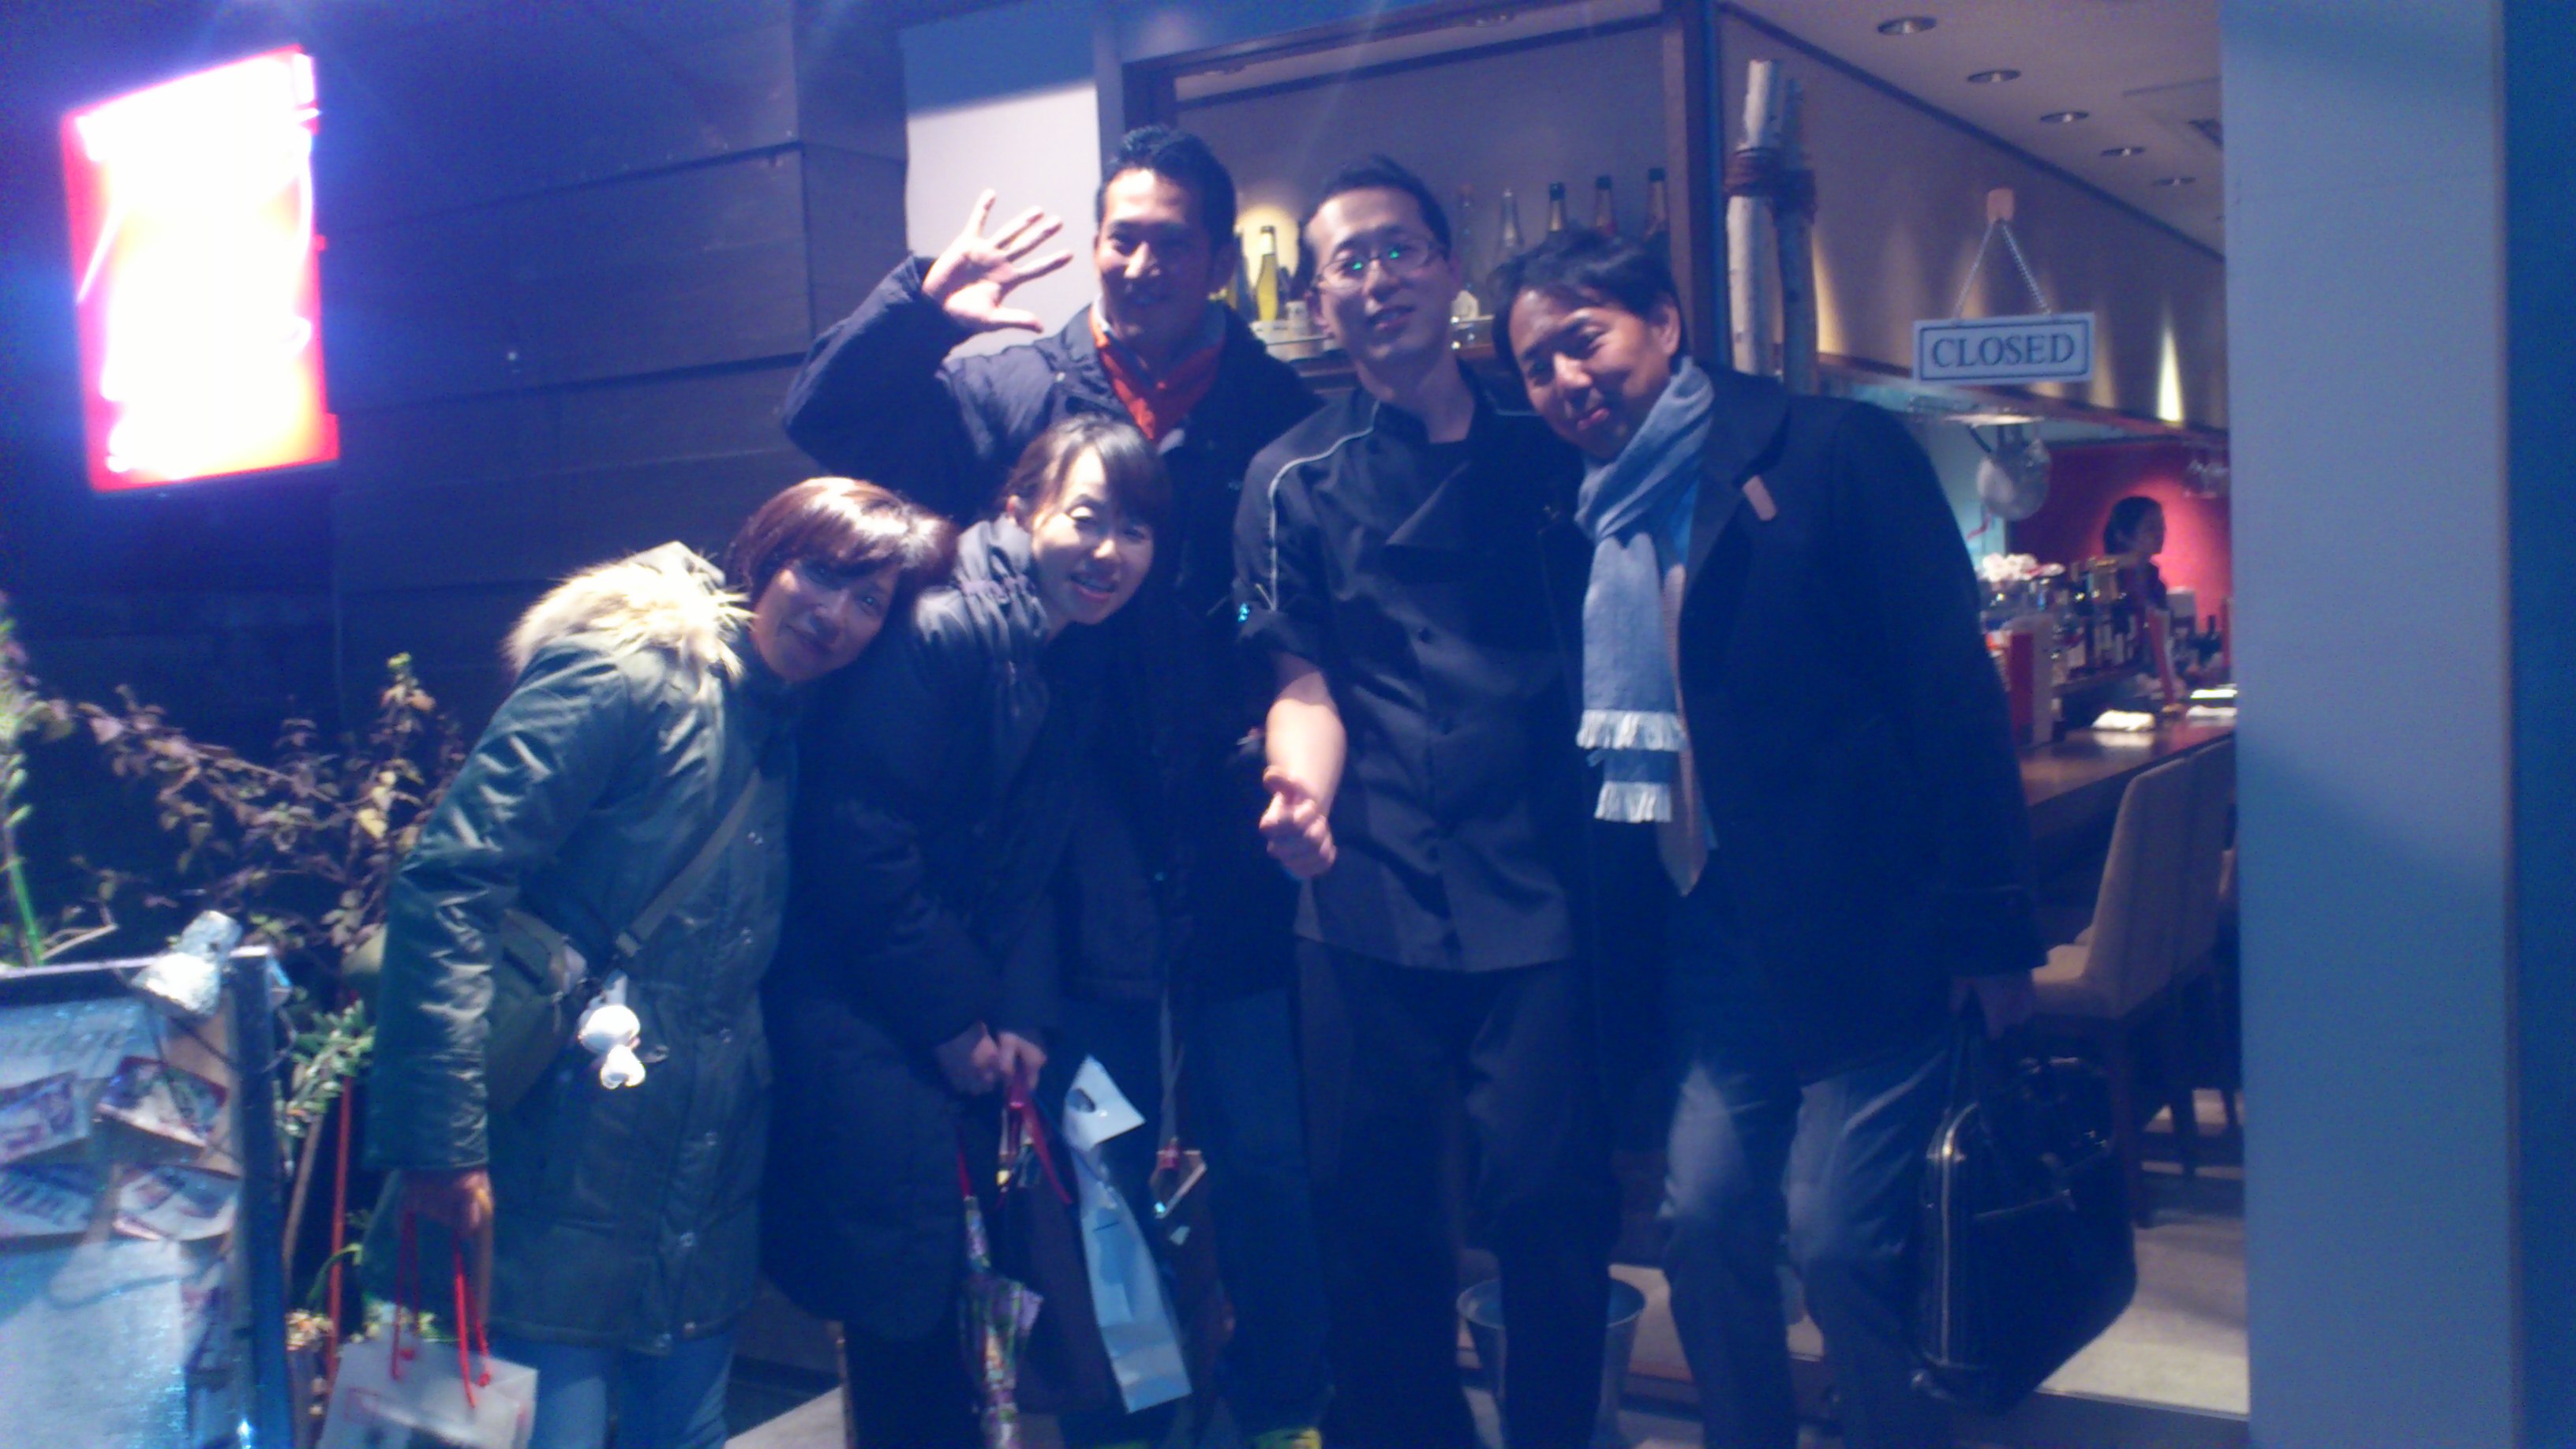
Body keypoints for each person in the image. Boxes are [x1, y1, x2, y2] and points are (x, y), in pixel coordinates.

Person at [781, 124, 1330, 1449]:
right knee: (1097, 1165)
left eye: (1169, 242)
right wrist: (917, 311)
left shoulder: (1275, 412)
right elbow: (823, 424)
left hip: (1231, 846)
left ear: (1218, 261)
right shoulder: (1009, 381)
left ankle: (1279, 1414)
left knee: (1268, 1159)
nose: (1139, 263)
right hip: (1070, 860)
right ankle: (1120, 1424)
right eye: (1119, 237)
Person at [1498, 227, 2043, 1449]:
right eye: (1536, 366)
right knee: (1700, 1225)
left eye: (1584, 340)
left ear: (1664, 323)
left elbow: (1951, 697)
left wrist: (1993, 931)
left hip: (1873, 928)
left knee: (1844, 1244)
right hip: (1709, 935)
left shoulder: (1833, 453)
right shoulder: (1583, 521)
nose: (1567, 381)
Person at [365, 477, 953, 1449]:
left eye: (869, 602)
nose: (836, 615)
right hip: (553, 1171)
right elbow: (450, 881)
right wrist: (440, 1141)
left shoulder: (790, 724)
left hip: (697, 1198)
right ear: (766, 557)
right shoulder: (629, 673)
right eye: (822, 573)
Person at [1236, 155, 1618, 1449]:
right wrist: (1300, 795)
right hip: (1366, 888)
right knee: (1373, 1222)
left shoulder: (1549, 446)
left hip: (1541, 884)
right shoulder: (1286, 476)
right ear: (1319, 301)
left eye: (1400, 249)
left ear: (1451, 272)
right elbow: (1301, 680)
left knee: (1551, 1211)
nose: (1377, 277)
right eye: (1347, 261)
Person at [762, 417, 1173, 1449]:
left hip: (937, 1015)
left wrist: (1020, 1018)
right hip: (866, 1012)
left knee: (950, 1314)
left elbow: (1030, 859)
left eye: (1135, 531)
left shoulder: (1062, 649)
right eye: (1087, 518)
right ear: (1021, 508)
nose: (1109, 551)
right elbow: (857, 841)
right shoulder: (950, 628)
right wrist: (955, 1020)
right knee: (904, 1319)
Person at [2104, 495, 2185, 706]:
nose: (2160, 533)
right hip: (2119, 686)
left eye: (2162, 526)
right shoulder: (2107, 581)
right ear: (2123, 535)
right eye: (2151, 528)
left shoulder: (2154, 580)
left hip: (2152, 678)